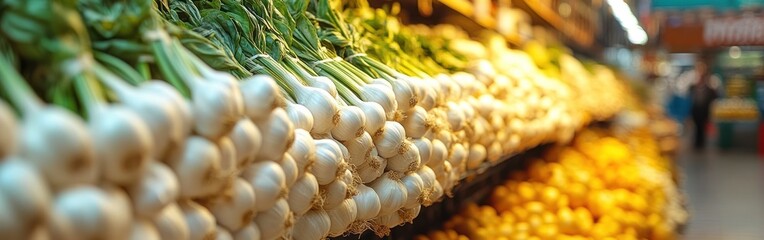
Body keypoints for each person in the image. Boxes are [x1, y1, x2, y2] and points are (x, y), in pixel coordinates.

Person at [689, 60, 719, 149]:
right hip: (696, 110)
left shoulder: (710, 85)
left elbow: (715, 96)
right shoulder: (693, 86)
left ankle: (701, 143)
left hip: (704, 110)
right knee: (696, 127)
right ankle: (696, 143)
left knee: (702, 127)